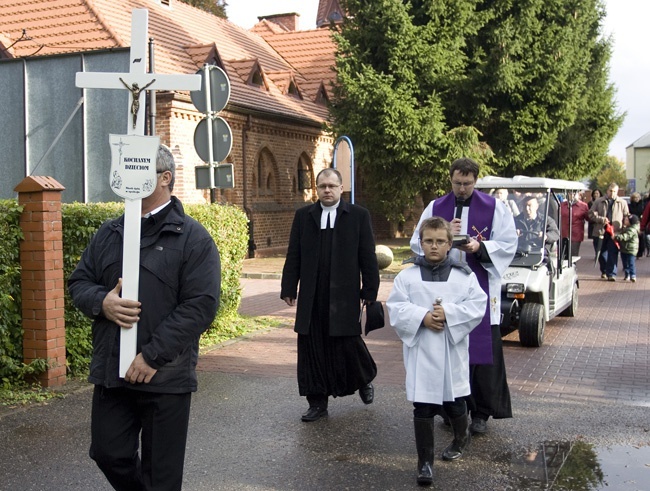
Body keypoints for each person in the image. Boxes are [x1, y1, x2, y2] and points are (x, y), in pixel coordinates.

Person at [68, 145, 221, 491]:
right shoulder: (110, 232)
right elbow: (79, 281)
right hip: (113, 372)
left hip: (165, 375)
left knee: (162, 478)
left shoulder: (194, 238)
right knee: (108, 452)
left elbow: (201, 304)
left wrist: (152, 356)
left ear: (165, 178)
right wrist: (102, 302)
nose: (129, 179)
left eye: (140, 169)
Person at [410, 157, 517, 435]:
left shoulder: (495, 208)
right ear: (450, 179)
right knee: (446, 350)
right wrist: (443, 234)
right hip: (444, 290)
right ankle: (450, 409)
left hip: (479, 288)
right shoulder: (436, 207)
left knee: (481, 355)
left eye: (467, 184)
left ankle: (481, 413)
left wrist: (478, 246)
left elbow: (508, 244)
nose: (461, 189)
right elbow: (416, 242)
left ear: (476, 181)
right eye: (457, 183)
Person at [388, 217, 487, 487]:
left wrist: (449, 314)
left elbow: (478, 305)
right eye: (429, 241)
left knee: (454, 401)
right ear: (420, 243)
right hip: (422, 349)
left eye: (440, 241)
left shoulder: (464, 276)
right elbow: (396, 307)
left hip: (451, 348)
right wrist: (422, 317)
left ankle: (460, 437)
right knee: (423, 406)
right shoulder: (406, 276)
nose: (434, 246)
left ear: (449, 244)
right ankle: (425, 463)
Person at [281, 168, 380, 422]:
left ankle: (363, 378)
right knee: (311, 347)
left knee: (347, 344)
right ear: (317, 188)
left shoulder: (358, 216)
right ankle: (317, 403)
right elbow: (294, 254)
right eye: (322, 186)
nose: (327, 190)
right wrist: (289, 287)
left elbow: (368, 257)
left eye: (331, 186)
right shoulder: (304, 216)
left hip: (344, 294)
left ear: (341, 188)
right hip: (312, 295)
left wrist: (369, 292)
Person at [588, 182, 629, 281]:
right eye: (611, 191)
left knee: (613, 252)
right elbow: (590, 214)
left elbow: (626, 217)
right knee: (601, 253)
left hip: (614, 232)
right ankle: (604, 270)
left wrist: (624, 227)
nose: (612, 193)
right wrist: (601, 219)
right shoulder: (599, 201)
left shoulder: (622, 203)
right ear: (607, 191)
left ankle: (611, 274)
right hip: (600, 231)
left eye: (614, 191)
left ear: (617, 191)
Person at [560, 191, 589, 257]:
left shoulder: (583, 206)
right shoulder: (562, 205)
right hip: (563, 234)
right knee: (562, 256)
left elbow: (588, 218)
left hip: (575, 235)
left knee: (573, 256)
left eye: (574, 193)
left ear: (578, 195)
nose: (572, 195)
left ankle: (573, 266)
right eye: (570, 193)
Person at [615, 214, 640, 282]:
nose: (624, 221)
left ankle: (633, 275)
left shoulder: (632, 229)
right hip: (624, 249)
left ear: (630, 222)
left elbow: (626, 236)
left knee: (631, 263)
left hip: (631, 249)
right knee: (625, 263)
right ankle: (627, 274)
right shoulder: (626, 228)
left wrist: (616, 237)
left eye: (626, 220)